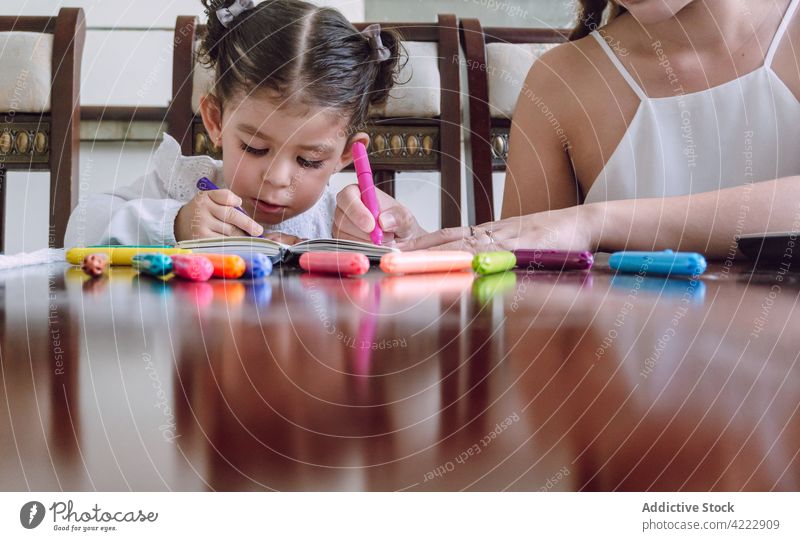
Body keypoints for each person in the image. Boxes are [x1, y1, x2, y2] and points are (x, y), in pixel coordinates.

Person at [334, 0, 800, 257]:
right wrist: (415, 245)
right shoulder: (560, 82)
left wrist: (594, 222)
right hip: (620, 420)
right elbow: (527, 275)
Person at [65, 0, 402, 247]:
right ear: (216, 121)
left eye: (309, 161)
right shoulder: (183, 187)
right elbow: (80, 228)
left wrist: (398, 239)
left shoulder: (345, 222)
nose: (277, 178)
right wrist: (175, 223)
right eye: (255, 148)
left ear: (346, 154)